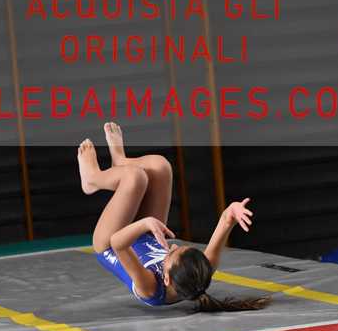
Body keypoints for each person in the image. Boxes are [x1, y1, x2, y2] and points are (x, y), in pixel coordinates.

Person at [78, 123, 269, 311]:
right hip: (146, 235)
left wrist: (145, 223)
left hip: (110, 244)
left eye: (170, 254)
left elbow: (118, 243)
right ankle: (119, 161)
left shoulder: (151, 288)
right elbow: (226, 221)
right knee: (161, 167)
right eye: (178, 248)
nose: (174, 246)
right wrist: (232, 212)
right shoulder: (200, 270)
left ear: (167, 278)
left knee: (135, 178)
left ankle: (92, 180)